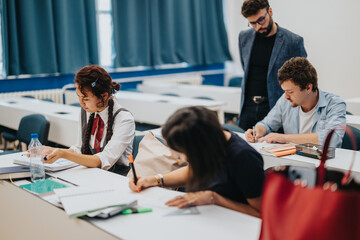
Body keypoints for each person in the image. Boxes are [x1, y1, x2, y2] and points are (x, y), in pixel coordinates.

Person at [129, 106, 265, 217]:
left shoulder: (244, 158)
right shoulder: (214, 140)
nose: (183, 159)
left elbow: (261, 214)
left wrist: (214, 198)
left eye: (185, 155)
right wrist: (154, 180)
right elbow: (193, 170)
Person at [42, 65, 135, 175]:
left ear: (104, 96)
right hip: (92, 173)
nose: (81, 103)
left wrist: (63, 153)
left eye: (85, 98)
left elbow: (104, 160)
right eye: (79, 97)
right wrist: (52, 151)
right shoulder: (86, 112)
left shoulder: (124, 119)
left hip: (116, 177)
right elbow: (79, 149)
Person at [245, 57, 346, 147]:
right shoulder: (285, 101)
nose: (286, 96)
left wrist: (285, 138)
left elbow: (333, 139)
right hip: (293, 161)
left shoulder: (335, 104)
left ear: (308, 87)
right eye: (284, 91)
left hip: (322, 165)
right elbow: (267, 124)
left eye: (290, 92)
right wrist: (257, 131)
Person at [238, 0, 307, 131]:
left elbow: (301, 80)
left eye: (261, 20)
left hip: (276, 108)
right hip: (248, 107)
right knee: (244, 147)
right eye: (252, 23)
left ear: (270, 11)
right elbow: (245, 68)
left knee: (274, 149)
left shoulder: (293, 41)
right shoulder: (244, 37)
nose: (258, 26)